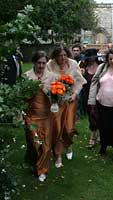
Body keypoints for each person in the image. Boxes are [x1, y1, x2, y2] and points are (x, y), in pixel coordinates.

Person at [46, 44, 86, 168]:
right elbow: (45, 81)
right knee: (57, 129)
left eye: (64, 55)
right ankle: (57, 155)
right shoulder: (50, 65)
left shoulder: (73, 64)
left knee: (68, 128)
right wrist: (51, 92)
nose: (63, 58)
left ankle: (68, 145)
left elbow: (79, 81)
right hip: (56, 102)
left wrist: (74, 94)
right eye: (60, 55)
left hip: (70, 100)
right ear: (55, 56)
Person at [24, 50, 55, 182]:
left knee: (46, 145)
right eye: (39, 63)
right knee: (34, 143)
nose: (41, 66)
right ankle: (33, 162)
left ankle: (42, 170)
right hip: (32, 116)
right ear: (34, 62)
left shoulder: (52, 76)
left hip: (46, 116)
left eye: (44, 63)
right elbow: (22, 97)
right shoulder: (27, 76)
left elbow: (56, 96)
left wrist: (48, 90)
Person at [80, 48, 101, 148]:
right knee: (91, 115)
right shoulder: (83, 66)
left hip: (100, 95)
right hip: (87, 95)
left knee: (97, 115)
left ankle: (93, 137)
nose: (92, 58)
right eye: (90, 56)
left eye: (94, 56)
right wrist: (81, 74)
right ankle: (97, 134)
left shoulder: (101, 66)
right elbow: (79, 81)